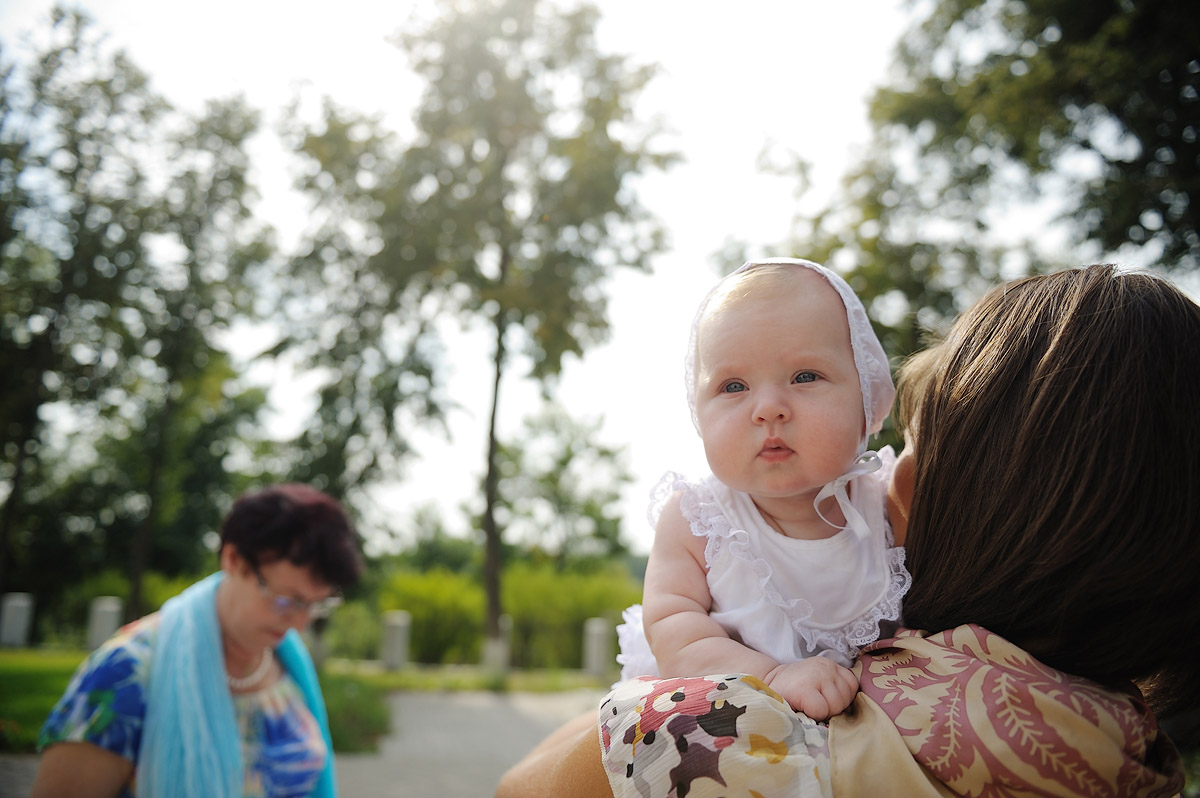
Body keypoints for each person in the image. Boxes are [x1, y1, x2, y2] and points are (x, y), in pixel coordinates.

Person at [496, 264, 1197, 797]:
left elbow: (521, 788)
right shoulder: (1128, 743)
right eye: (731, 387)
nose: (898, 473)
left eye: (928, 439)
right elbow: (672, 622)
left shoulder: (735, 734)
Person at [615, 258, 909, 721]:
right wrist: (770, 676)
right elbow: (675, 633)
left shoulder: (891, 503)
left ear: (867, 395)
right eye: (734, 386)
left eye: (805, 376)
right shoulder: (698, 519)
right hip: (724, 716)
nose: (769, 408)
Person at [32, 483, 363, 798]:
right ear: (233, 560)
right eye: (286, 600)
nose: (300, 622)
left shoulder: (287, 659)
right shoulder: (125, 672)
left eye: (315, 604)